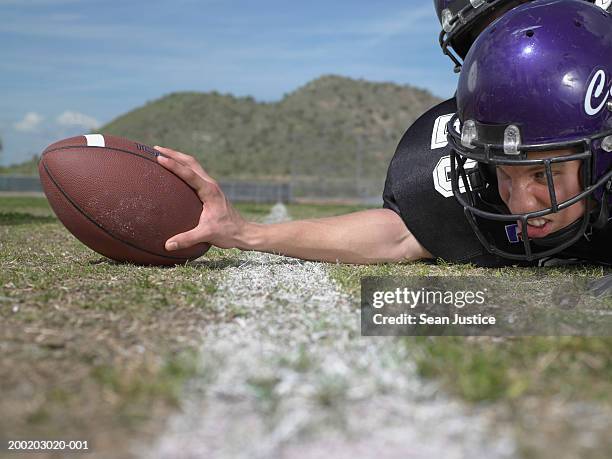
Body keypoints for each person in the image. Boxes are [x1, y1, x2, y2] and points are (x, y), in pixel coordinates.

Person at [155, 0, 611, 266]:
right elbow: (399, 233)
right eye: (504, 175)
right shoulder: (476, 139)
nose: (517, 204)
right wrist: (245, 232)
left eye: (540, 177)